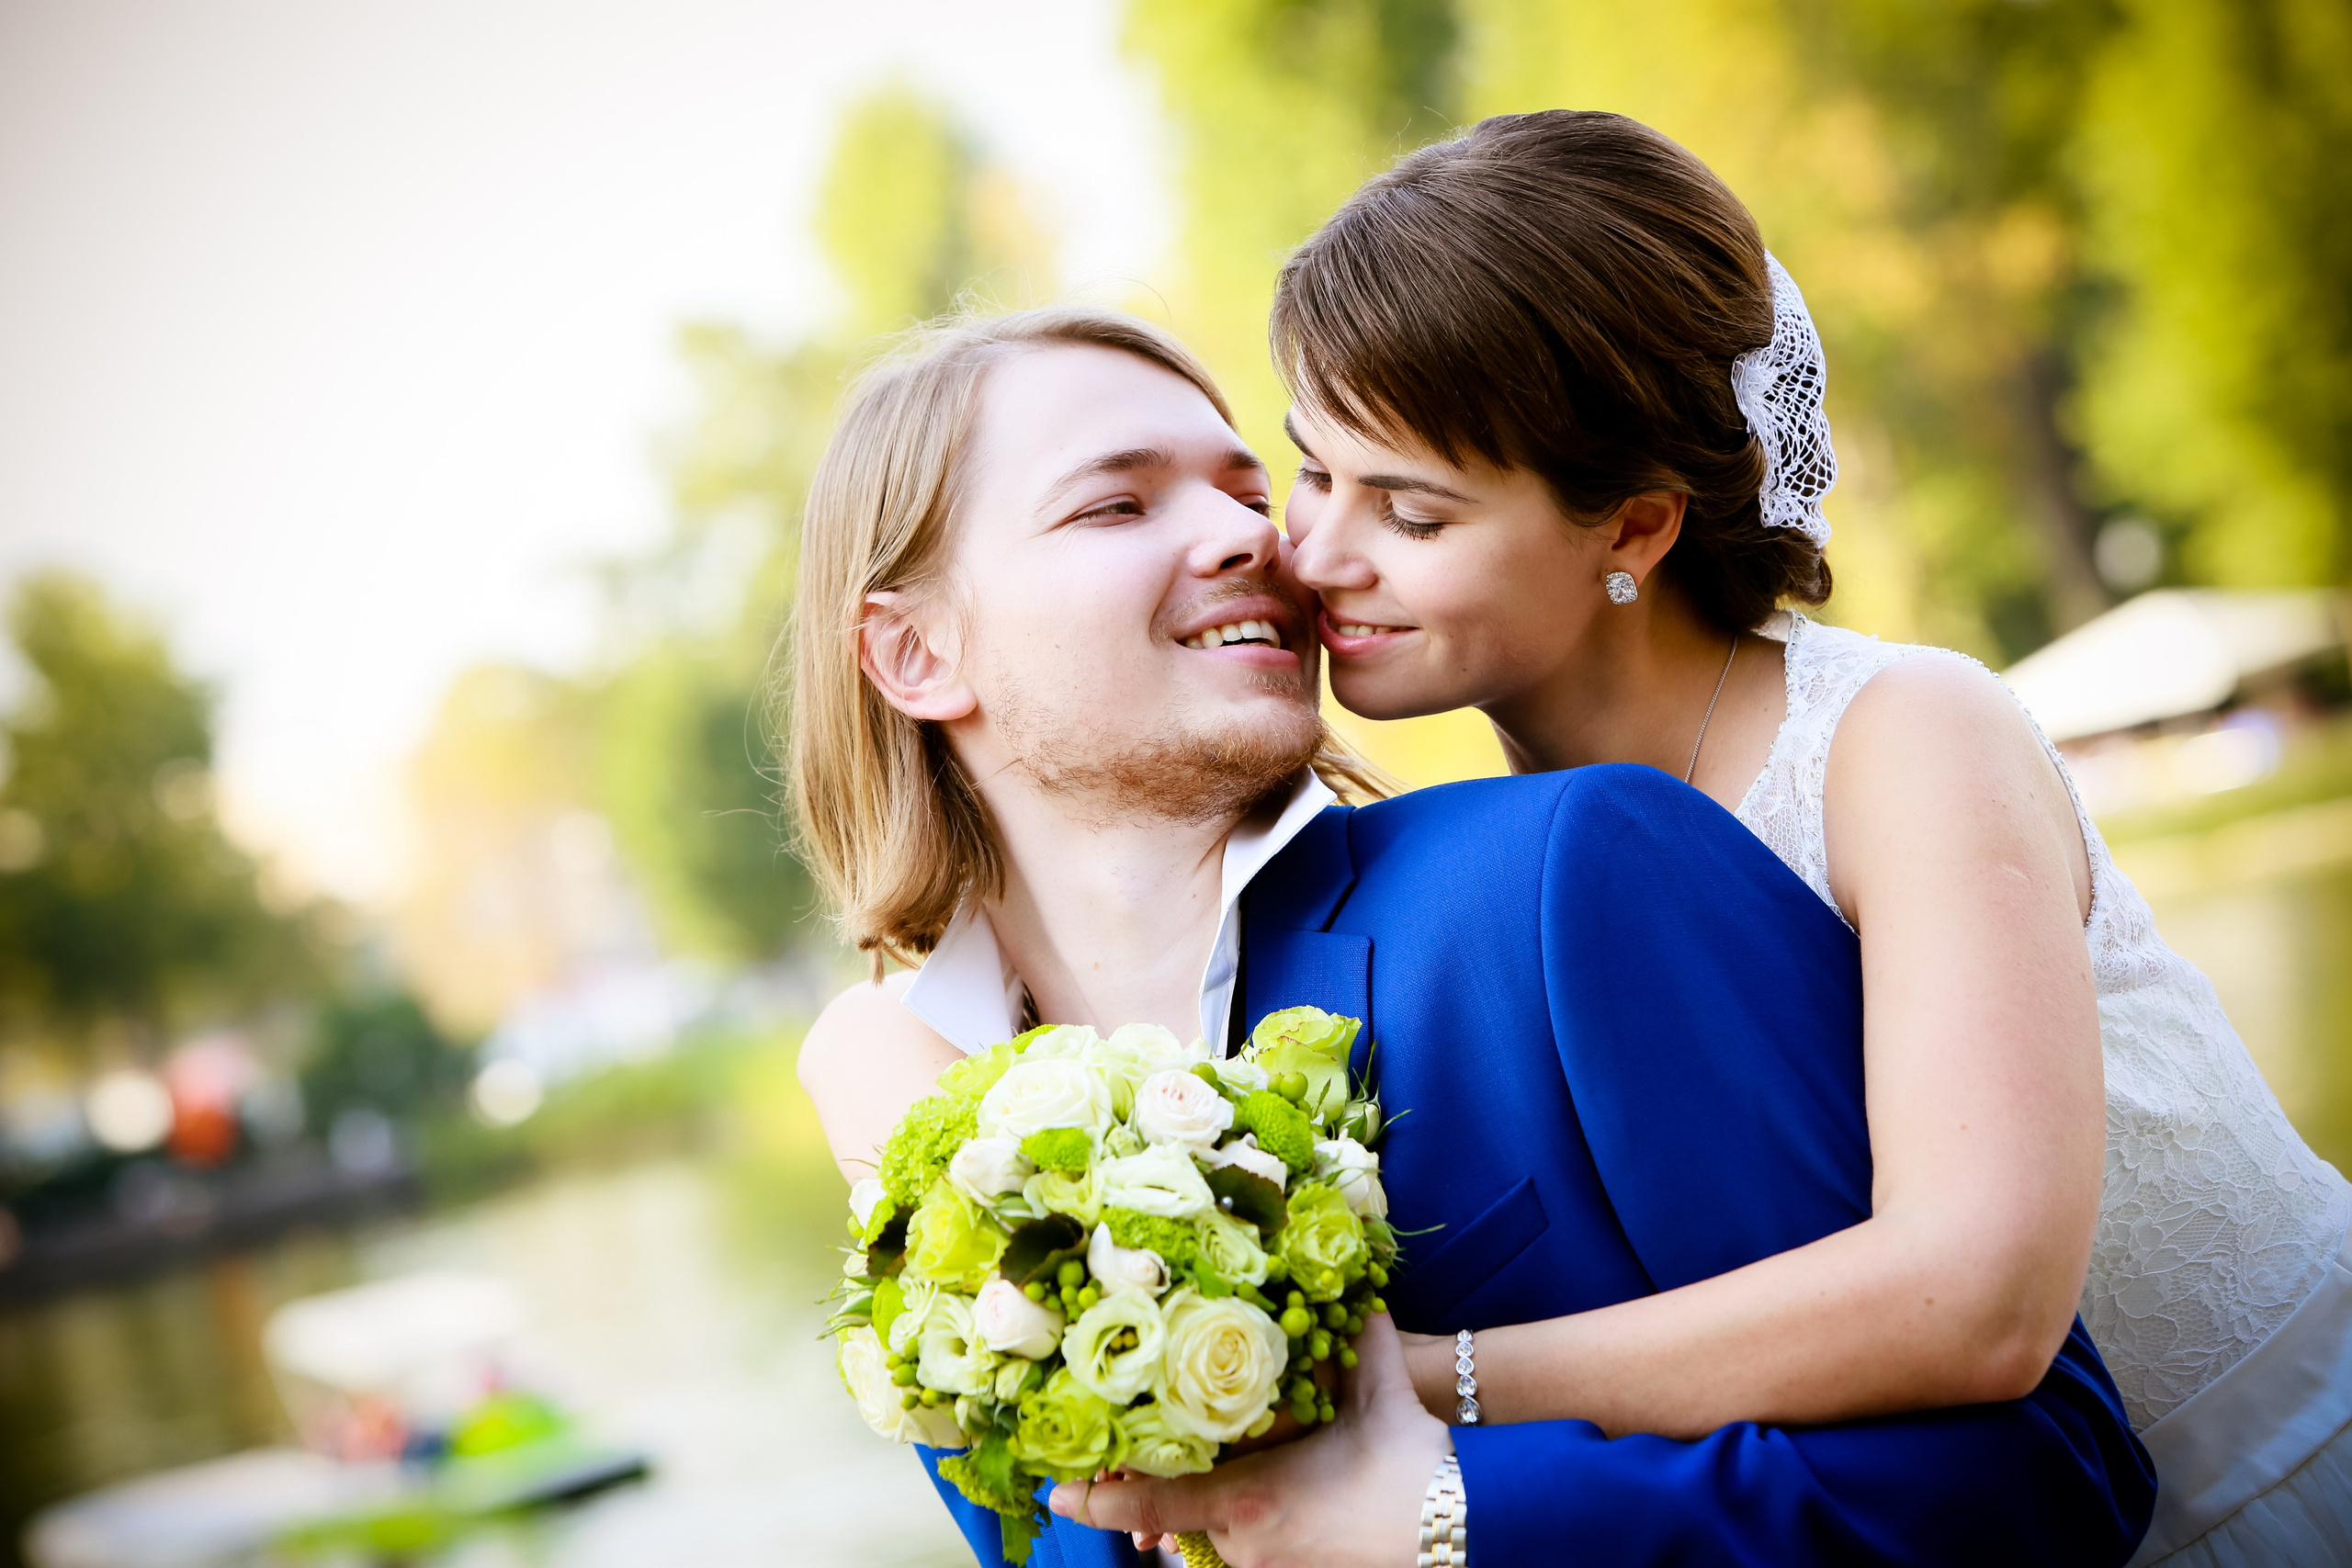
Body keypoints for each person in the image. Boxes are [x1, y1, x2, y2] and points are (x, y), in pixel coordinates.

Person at [787, 303, 2154, 1566]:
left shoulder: (1568, 881)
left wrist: (1450, 1518)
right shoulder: (938, 1210)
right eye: (1117, 503)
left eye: (1249, 488)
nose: (1248, 537)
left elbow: (2038, 1490)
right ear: (914, 656)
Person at [1256, 108, 2352, 1566]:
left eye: (1406, 508)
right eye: (1313, 472)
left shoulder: (1900, 740)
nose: (1317, 554)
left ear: (1633, 529)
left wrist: (1417, 1388)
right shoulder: (1459, 866)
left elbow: (1981, 1301)